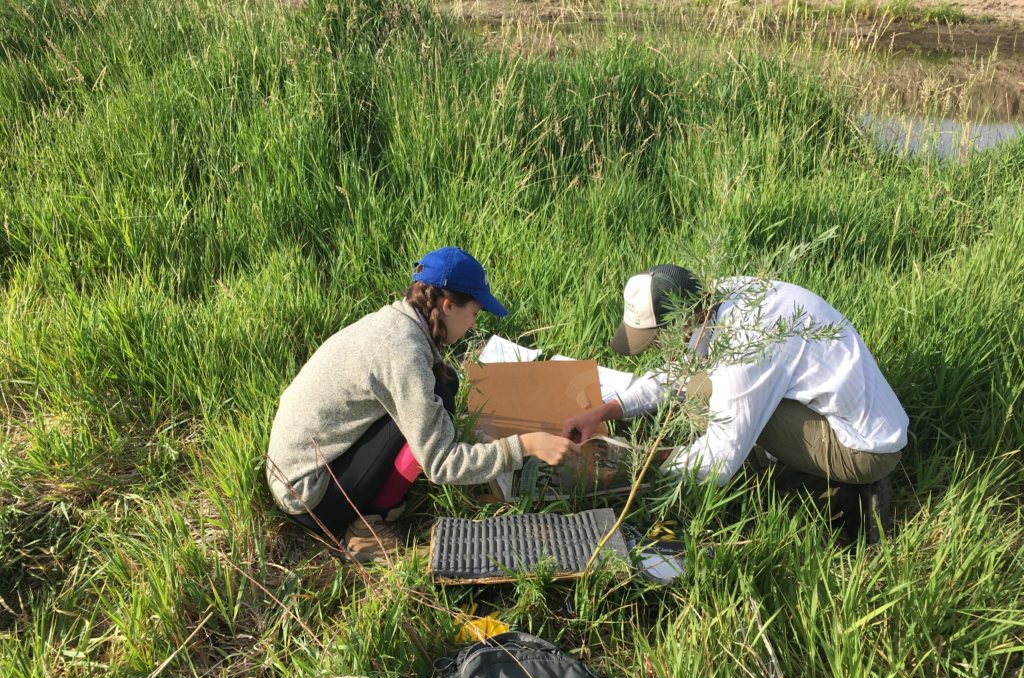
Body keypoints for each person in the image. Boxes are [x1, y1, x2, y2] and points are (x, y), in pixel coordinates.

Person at [267, 246, 578, 560]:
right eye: (474, 313)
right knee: (429, 408)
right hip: (311, 497)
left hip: (300, 467)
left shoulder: (398, 323)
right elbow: (440, 464)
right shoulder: (403, 354)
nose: (473, 324)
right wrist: (525, 446)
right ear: (447, 306)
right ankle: (367, 527)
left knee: (443, 386)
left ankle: (377, 499)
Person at [563, 265, 909, 542]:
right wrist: (608, 409)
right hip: (844, 412)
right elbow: (678, 375)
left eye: (657, 340)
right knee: (705, 389)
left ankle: (846, 495)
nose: (656, 350)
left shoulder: (748, 344)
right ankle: (788, 464)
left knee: (726, 415)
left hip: (864, 449)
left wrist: (635, 465)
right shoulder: (714, 299)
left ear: (687, 322)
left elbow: (719, 461)